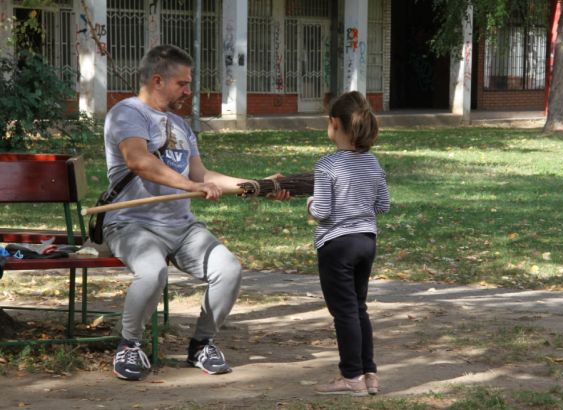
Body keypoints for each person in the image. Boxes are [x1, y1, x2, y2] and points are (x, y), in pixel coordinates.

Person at [103, 44, 288, 381]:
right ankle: (129, 344)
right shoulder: (126, 113)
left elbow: (202, 176)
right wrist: (188, 186)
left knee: (228, 269)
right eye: (182, 84)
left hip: (181, 227)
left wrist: (257, 185)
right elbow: (139, 161)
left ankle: (201, 344)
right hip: (132, 224)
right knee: (151, 272)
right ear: (158, 80)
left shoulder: (181, 125)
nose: (189, 91)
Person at [306, 91, 390, 396]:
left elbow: (322, 211)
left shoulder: (327, 165)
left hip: (336, 246)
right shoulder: (372, 162)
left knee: (343, 312)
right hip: (366, 242)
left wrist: (310, 204)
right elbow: (383, 205)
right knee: (358, 307)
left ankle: (351, 376)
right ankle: (369, 374)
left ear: (334, 124)